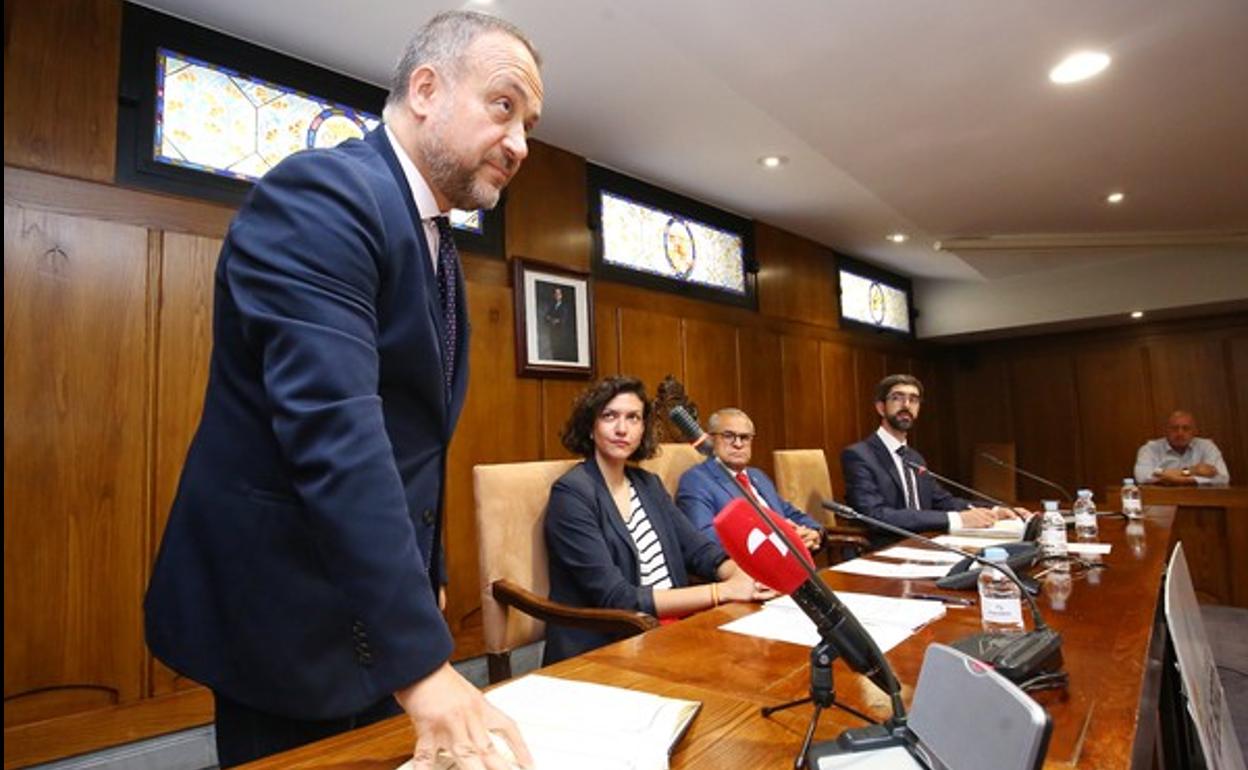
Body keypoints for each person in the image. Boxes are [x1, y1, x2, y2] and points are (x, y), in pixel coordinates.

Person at [143, 11, 543, 769]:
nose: (521, 142)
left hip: (372, 609)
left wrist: (426, 587)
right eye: (503, 105)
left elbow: (411, 443)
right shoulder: (324, 194)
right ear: (426, 89)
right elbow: (339, 435)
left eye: (528, 121)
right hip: (283, 614)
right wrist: (425, 666)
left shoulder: (437, 243)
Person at [543, 377, 776, 664]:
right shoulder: (572, 494)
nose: (621, 429)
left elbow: (700, 551)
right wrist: (722, 591)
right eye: (609, 416)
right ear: (590, 427)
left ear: (643, 429)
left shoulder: (647, 484)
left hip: (672, 630)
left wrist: (737, 574)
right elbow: (618, 598)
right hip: (612, 643)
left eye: (633, 418)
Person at [841, 374, 1021, 539]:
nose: (906, 405)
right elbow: (875, 515)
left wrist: (995, 510)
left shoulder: (914, 457)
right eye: (897, 398)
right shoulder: (859, 455)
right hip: (887, 548)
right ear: (881, 407)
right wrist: (956, 519)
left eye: (914, 400)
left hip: (928, 541)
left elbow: (943, 500)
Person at [676, 407, 823, 551]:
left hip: (792, 562)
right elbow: (704, 536)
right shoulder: (696, 480)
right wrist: (773, 537)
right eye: (728, 436)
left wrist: (814, 532)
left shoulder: (758, 476)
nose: (738, 444)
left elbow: (790, 513)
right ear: (710, 439)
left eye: (745, 437)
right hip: (746, 570)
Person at [1134, 410, 1230, 486]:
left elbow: (1223, 477)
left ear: (1195, 431)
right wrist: (1192, 471)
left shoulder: (1207, 446)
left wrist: (1172, 478)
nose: (1180, 433)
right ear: (1166, 431)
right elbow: (1142, 475)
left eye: (1186, 428)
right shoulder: (1150, 448)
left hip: (1201, 500)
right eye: (1174, 428)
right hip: (1162, 501)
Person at [538, 284, 576, 361]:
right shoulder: (552, 306)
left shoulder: (564, 306)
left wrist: (554, 320)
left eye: (558, 294)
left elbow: (563, 319)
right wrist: (552, 320)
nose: (557, 295)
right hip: (553, 333)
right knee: (554, 349)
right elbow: (546, 317)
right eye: (555, 294)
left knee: (561, 350)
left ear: (561, 295)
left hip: (561, 333)